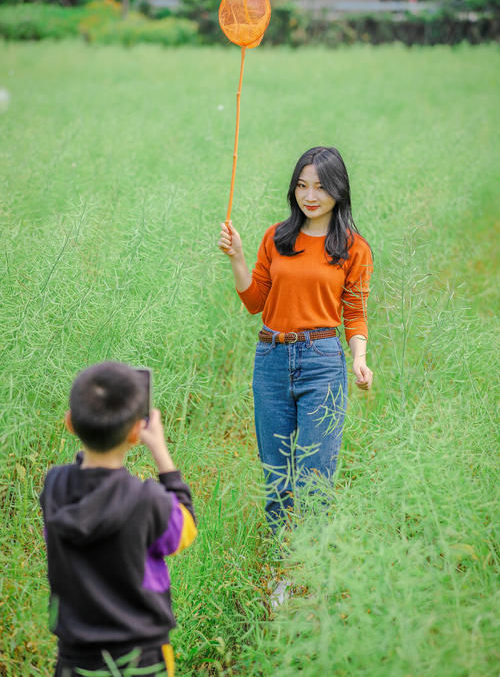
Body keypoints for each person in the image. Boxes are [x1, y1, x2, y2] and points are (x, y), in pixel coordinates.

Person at [218, 146, 373, 530]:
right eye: (302, 186)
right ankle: (280, 573)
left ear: (338, 190)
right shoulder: (277, 237)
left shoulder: (354, 248)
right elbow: (255, 301)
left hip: (323, 362)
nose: (310, 196)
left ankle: (312, 573)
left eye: (320, 187)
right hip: (270, 358)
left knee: (315, 477)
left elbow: (354, 313)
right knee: (277, 477)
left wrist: (359, 359)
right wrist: (237, 257)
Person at [39, 361, 197, 677]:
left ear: (70, 423)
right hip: (141, 657)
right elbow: (184, 532)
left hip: (75, 657)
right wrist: (162, 455)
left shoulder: (54, 487)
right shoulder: (148, 500)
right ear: (137, 432)